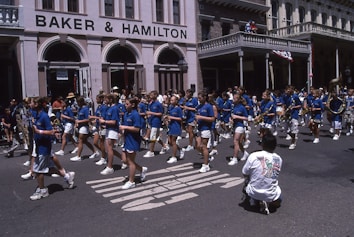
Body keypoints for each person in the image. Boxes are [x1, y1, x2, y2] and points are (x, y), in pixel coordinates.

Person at [30, 97, 75, 201]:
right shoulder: (36, 114)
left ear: (37, 104)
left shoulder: (44, 116)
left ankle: (42, 190)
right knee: (49, 169)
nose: (30, 104)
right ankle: (67, 176)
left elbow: (51, 132)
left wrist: (39, 132)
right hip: (39, 145)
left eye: (32, 102)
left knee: (39, 170)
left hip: (44, 147)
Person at [242, 133, 282, 215]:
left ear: (262, 144)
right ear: (275, 146)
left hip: (254, 190)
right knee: (278, 199)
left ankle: (253, 199)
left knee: (248, 179)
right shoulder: (278, 159)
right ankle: (266, 201)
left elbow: (244, 173)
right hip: (270, 193)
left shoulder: (254, 155)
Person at [120, 97, 147, 189]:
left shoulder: (136, 115)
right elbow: (124, 126)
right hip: (127, 139)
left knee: (131, 161)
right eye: (125, 103)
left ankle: (131, 182)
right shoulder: (126, 114)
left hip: (133, 140)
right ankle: (142, 169)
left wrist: (125, 128)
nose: (125, 105)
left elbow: (137, 129)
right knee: (124, 160)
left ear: (133, 105)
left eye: (127, 104)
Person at [98, 93, 124, 175]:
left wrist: (104, 122)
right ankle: (123, 160)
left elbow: (114, 121)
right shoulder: (108, 109)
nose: (104, 100)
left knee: (109, 148)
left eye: (106, 99)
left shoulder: (115, 109)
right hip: (108, 130)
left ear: (111, 100)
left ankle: (110, 167)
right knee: (110, 149)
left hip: (113, 130)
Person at [70, 96, 97, 161]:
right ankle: (95, 152)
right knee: (85, 141)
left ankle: (78, 156)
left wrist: (79, 121)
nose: (77, 103)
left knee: (80, 140)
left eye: (78, 102)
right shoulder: (79, 109)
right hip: (80, 126)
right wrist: (77, 123)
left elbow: (88, 119)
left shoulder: (85, 109)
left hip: (84, 127)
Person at [195, 91, 215, 173]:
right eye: (198, 98)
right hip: (199, 128)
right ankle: (207, 157)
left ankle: (206, 165)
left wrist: (201, 117)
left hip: (206, 128)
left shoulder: (209, 107)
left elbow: (212, 119)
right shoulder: (199, 106)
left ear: (204, 97)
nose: (199, 100)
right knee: (197, 146)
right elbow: (197, 116)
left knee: (204, 147)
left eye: (200, 98)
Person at [143, 90, 167, 158]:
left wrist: (151, 113)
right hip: (151, 121)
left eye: (151, 95)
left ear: (155, 95)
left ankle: (151, 151)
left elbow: (160, 113)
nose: (150, 96)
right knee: (156, 137)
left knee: (152, 137)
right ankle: (164, 146)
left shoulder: (158, 104)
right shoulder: (151, 104)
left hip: (156, 122)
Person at [228, 93, 249, 166]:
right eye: (233, 98)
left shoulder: (242, 107)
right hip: (234, 125)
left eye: (235, 98)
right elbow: (231, 115)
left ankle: (235, 158)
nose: (234, 100)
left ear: (239, 99)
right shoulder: (233, 106)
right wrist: (231, 119)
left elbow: (246, 118)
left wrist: (237, 117)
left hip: (240, 126)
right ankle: (245, 153)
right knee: (239, 143)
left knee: (235, 141)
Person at [90, 93, 108, 166]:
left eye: (97, 99)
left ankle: (103, 158)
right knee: (95, 142)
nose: (96, 100)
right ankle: (104, 153)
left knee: (101, 142)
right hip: (98, 127)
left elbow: (102, 117)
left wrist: (94, 117)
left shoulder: (104, 107)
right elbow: (98, 117)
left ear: (101, 99)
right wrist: (94, 121)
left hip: (102, 127)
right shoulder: (98, 107)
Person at [166, 95, 185, 164]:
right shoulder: (171, 108)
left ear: (176, 101)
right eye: (170, 100)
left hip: (176, 126)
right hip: (171, 126)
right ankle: (180, 149)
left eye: (172, 100)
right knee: (170, 142)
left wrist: (172, 117)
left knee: (173, 141)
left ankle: (174, 157)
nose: (171, 101)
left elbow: (180, 119)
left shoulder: (178, 109)